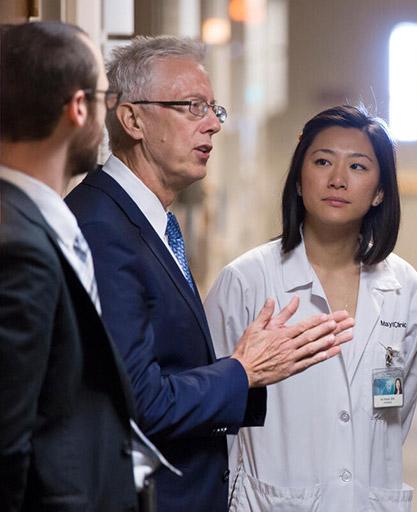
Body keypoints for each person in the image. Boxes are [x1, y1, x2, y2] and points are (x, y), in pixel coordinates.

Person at [65, 36, 355, 512]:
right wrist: (243, 370)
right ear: (133, 119)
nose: (214, 125)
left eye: (214, 108)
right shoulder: (103, 227)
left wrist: (246, 374)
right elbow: (138, 403)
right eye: (192, 107)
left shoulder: (150, 222)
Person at [204, 105, 417, 511]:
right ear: (300, 183)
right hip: (270, 500)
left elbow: (398, 408)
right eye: (322, 161)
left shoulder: (404, 287)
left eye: (358, 167)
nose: (338, 180)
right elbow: (215, 406)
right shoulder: (247, 280)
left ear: (380, 192)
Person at [0, 21, 142, 510]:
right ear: (78, 108)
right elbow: (6, 440)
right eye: (105, 97)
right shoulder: (19, 248)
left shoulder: (34, 219)